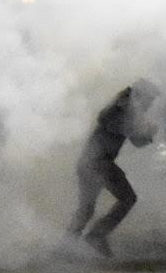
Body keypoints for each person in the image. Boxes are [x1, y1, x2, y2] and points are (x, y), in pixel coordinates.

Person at [68, 80, 160, 258]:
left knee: (86, 209)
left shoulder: (129, 110)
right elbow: (106, 119)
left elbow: (137, 141)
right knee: (127, 199)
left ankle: (68, 246)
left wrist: (148, 134)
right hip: (97, 163)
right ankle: (94, 237)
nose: (151, 105)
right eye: (150, 99)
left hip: (92, 163)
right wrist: (140, 130)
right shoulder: (122, 107)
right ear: (140, 96)